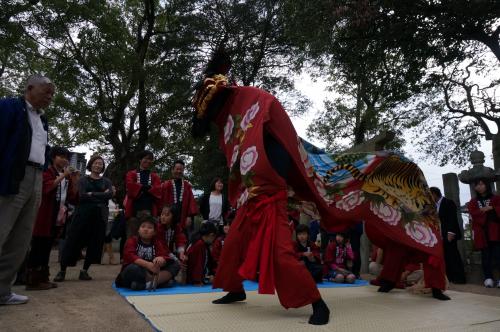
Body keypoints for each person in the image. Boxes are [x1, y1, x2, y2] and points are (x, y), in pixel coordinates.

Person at [0, 75, 54, 305]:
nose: (50, 97)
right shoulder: (9, 107)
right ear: (30, 88)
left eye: (52, 94)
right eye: (47, 92)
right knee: (2, 230)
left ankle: (3, 291)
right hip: (13, 175)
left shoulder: (43, 120)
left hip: (36, 177)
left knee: (20, 240)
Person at [26, 147, 79, 290]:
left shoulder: (65, 176)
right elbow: (47, 188)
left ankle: (42, 278)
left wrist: (73, 179)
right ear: (53, 158)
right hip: (44, 215)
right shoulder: (47, 172)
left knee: (47, 247)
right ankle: (33, 280)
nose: (64, 160)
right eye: (60, 156)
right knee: (38, 247)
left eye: (66, 157)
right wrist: (63, 176)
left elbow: (72, 198)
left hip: (56, 217)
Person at [54, 155, 114, 282]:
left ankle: (85, 270)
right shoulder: (83, 180)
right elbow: (82, 196)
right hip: (82, 214)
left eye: (100, 164)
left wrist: (92, 194)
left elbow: (109, 195)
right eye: (96, 163)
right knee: (73, 241)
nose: (98, 165)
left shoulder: (106, 181)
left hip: (99, 216)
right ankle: (62, 270)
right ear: (91, 165)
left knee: (94, 243)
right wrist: (101, 195)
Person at [115, 215, 178, 290]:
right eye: (143, 226)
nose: (145, 229)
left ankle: (145, 285)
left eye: (149, 228)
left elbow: (164, 255)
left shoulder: (157, 243)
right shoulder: (132, 241)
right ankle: (158, 283)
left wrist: (161, 260)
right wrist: (148, 265)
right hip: (137, 272)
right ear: (138, 230)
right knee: (133, 268)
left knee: (175, 264)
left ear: (154, 232)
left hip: (151, 272)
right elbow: (130, 256)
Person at [467, 179, 500, 288]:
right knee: (485, 256)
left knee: (498, 255)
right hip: (482, 232)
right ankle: (488, 278)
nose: (480, 187)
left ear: (487, 185)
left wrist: (491, 208)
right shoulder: (473, 201)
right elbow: (473, 213)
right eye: (477, 185)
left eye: (482, 184)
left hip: (495, 231)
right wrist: (485, 211)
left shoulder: (495, 198)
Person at [430, 187, 466, 284]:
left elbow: (452, 218)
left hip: (449, 233)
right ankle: (449, 277)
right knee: (445, 256)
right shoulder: (434, 205)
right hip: (440, 234)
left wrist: (451, 232)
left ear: (435, 194)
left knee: (453, 255)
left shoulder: (448, 202)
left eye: (430, 195)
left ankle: (459, 278)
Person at [161, 160, 198, 237]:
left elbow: (191, 202)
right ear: (172, 170)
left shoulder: (187, 185)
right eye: (177, 169)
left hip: (182, 216)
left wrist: (189, 216)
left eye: (181, 169)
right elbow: (160, 202)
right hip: (168, 215)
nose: (179, 171)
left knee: (182, 238)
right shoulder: (165, 185)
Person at [124, 150, 162, 219]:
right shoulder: (131, 173)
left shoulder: (155, 176)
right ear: (140, 159)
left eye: (150, 159)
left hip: (149, 207)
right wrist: (147, 188)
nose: (148, 161)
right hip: (134, 207)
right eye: (146, 158)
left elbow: (158, 189)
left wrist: (140, 187)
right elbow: (130, 187)